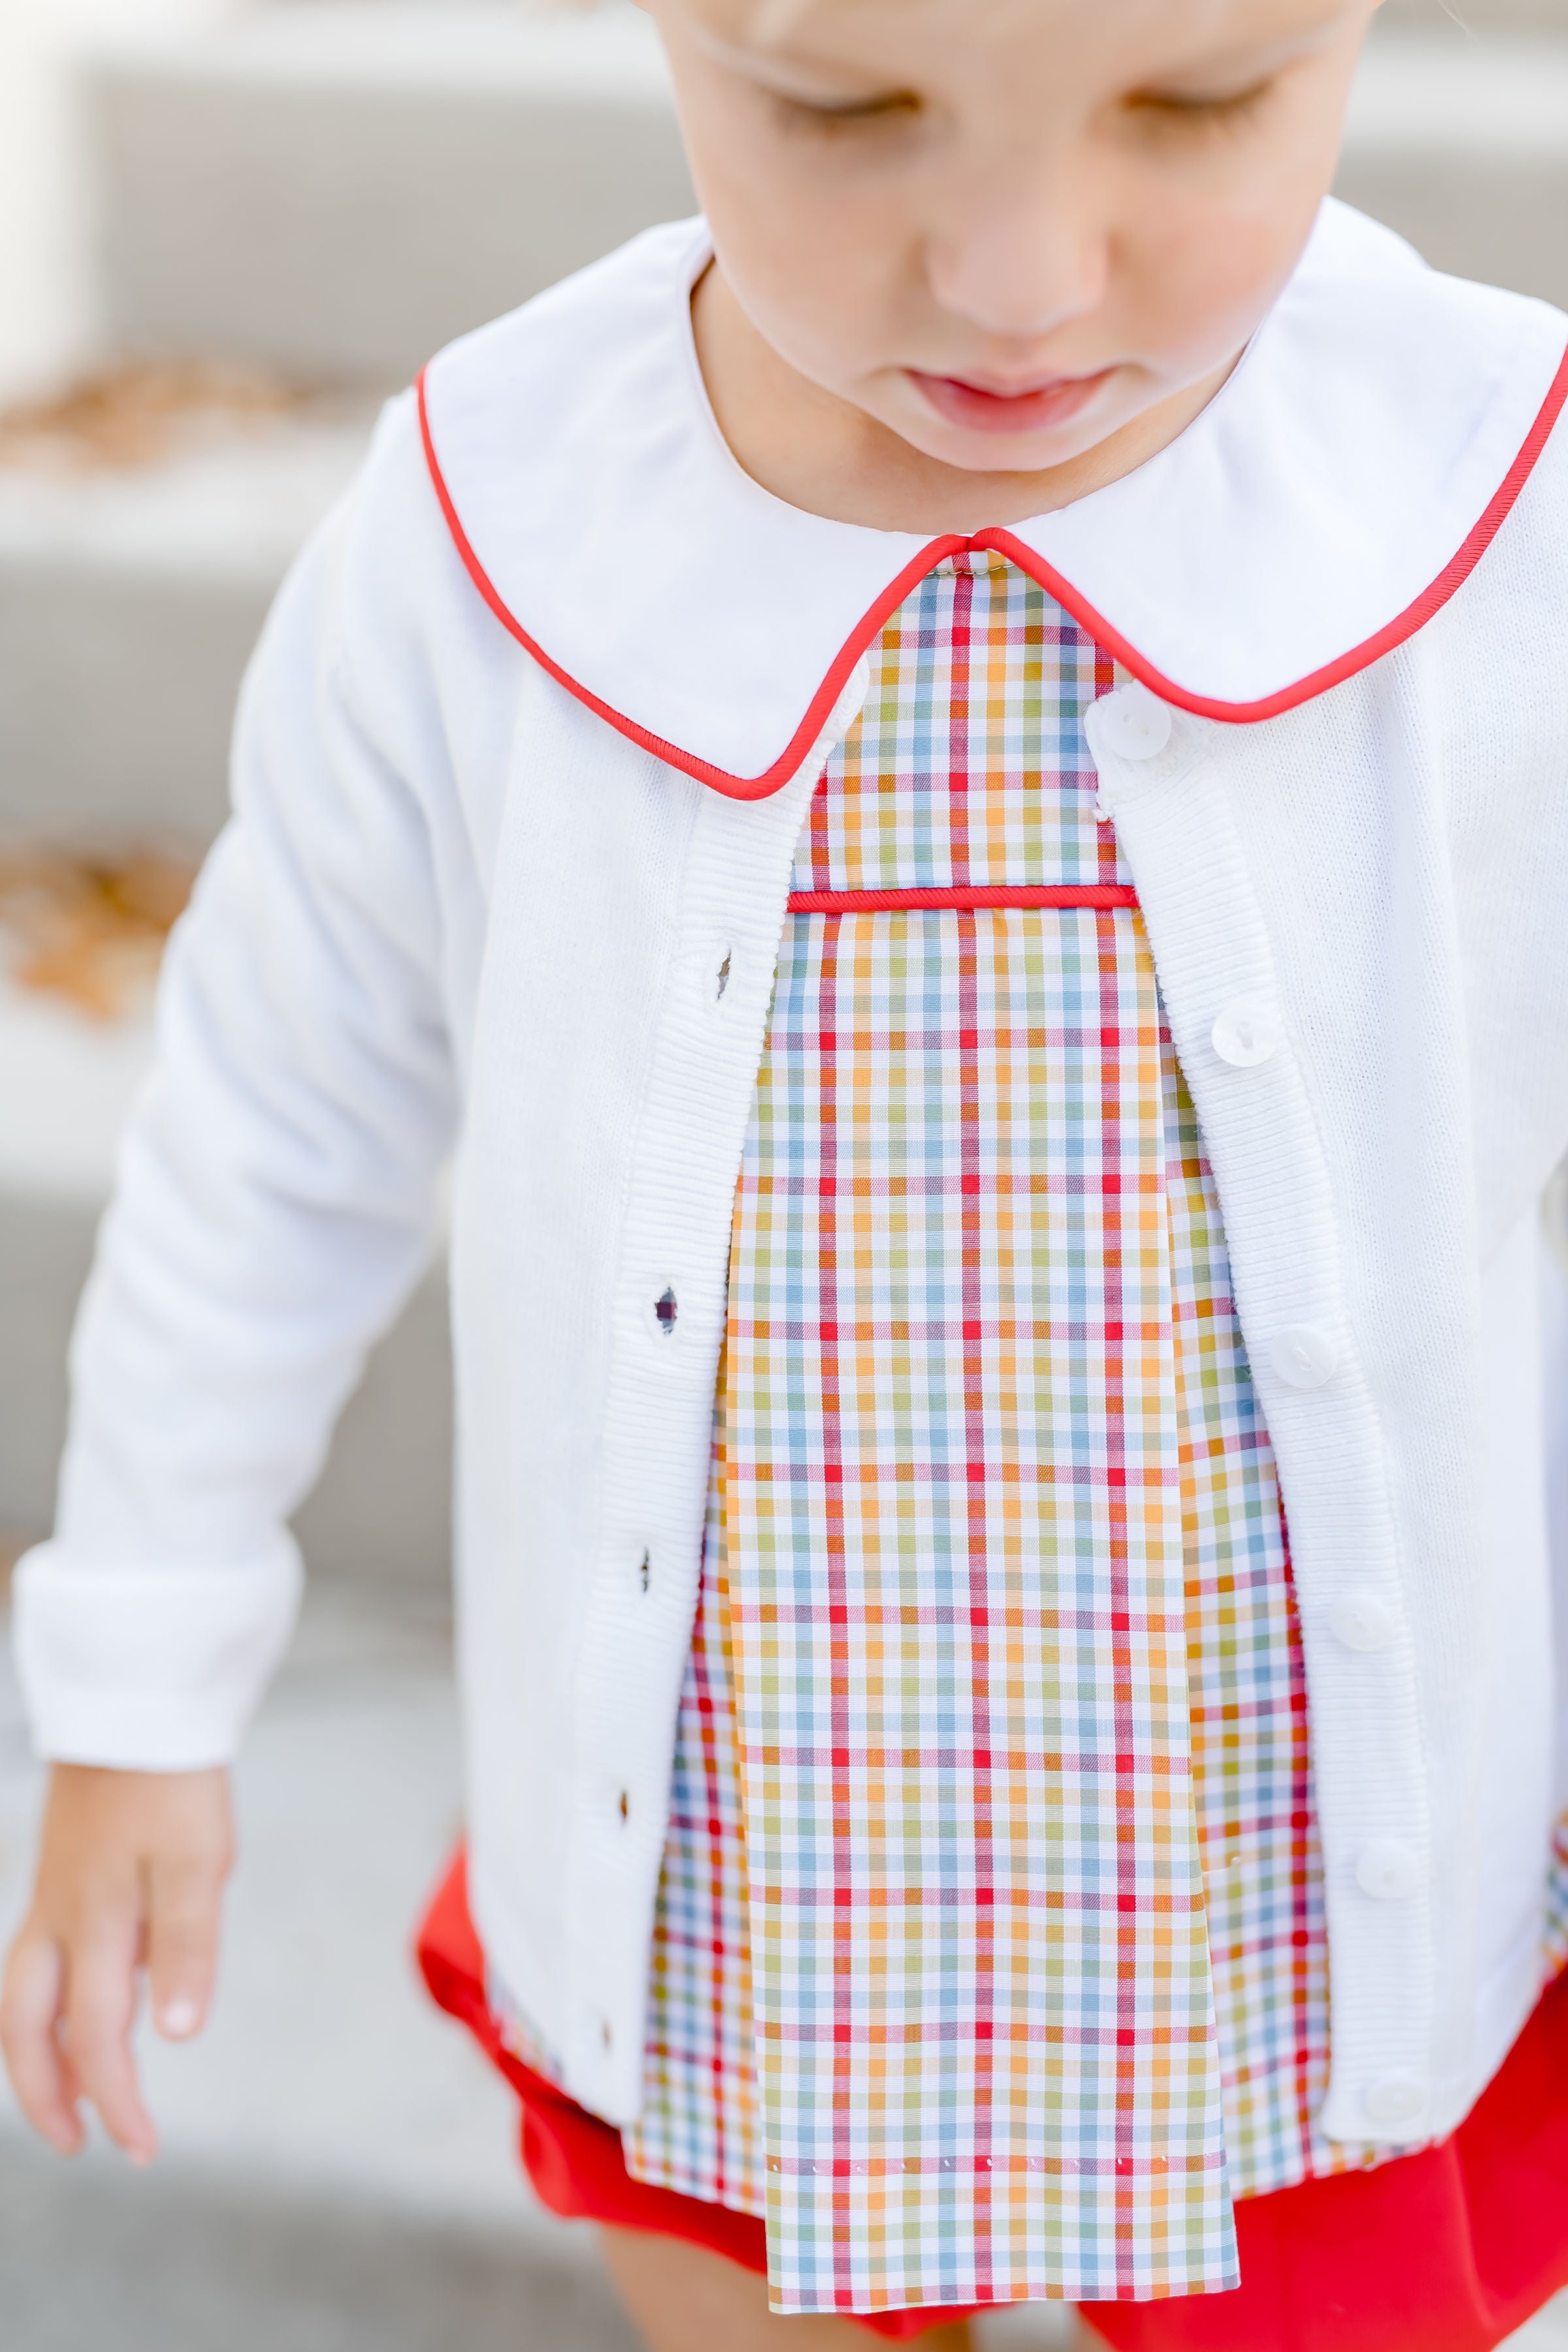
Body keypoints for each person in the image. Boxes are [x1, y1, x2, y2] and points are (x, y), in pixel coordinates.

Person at [6, 0, 1568, 2344]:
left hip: (1294, 1863)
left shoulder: (1484, 486)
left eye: (1199, 99)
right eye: (846, 111)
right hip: (756, 1848)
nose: (1026, 279)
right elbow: (274, 1108)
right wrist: (137, 1670)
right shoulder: (496, 516)